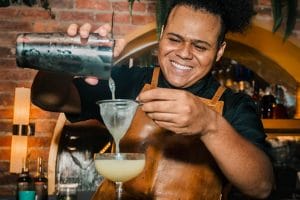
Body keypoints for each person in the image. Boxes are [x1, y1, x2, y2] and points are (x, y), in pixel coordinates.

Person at [31, 0, 275, 199]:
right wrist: (63, 58)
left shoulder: (234, 106)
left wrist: (210, 125)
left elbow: (261, 185)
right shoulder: (129, 80)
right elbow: (49, 98)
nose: (184, 53)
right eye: (174, 39)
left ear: (219, 51)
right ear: (161, 35)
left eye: (200, 46)